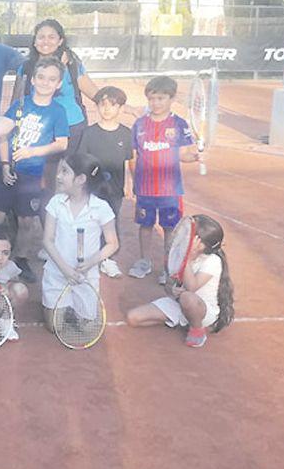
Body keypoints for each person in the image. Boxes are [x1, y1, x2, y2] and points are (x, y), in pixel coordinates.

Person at [0, 56, 70, 282]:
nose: (45, 83)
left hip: (31, 174)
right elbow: (4, 131)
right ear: (33, 80)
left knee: (27, 220)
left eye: (52, 79)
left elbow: (61, 143)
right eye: (41, 77)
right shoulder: (21, 105)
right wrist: (4, 163)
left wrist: (32, 152)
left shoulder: (57, 111)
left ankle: (20, 259)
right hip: (7, 169)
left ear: (58, 84)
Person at [126, 76, 199, 284]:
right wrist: (134, 182)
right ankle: (144, 261)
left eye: (161, 98)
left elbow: (182, 154)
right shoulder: (140, 124)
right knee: (145, 225)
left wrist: (193, 157)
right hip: (145, 188)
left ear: (171, 98)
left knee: (170, 228)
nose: (156, 103)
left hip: (170, 190)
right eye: (152, 99)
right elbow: (133, 156)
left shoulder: (179, 124)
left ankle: (168, 265)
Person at [126, 214, 234, 348]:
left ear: (199, 243)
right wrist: (173, 290)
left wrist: (187, 259)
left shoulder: (212, 261)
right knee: (133, 318)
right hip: (179, 304)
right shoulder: (178, 253)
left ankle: (197, 330)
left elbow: (192, 287)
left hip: (202, 311)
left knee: (187, 297)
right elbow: (169, 285)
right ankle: (181, 321)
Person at [41, 153, 119, 333]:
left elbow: (112, 244)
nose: (58, 176)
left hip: (85, 277)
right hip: (57, 273)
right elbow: (47, 240)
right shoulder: (56, 202)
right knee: (54, 327)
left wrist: (90, 263)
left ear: (81, 179)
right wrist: (66, 270)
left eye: (65, 171)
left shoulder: (101, 208)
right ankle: (57, 305)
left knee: (87, 329)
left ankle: (72, 307)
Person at [10, 19, 99, 153]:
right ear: (35, 42)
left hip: (71, 128)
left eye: (51, 37)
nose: (46, 41)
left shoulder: (72, 65)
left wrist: (124, 106)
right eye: (41, 37)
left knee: (67, 171)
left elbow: (94, 93)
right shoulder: (26, 68)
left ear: (60, 41)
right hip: (37, 130)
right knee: (38, 171)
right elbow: (16, 101)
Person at [75, 86, 133, 278]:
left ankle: (107, 259)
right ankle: (83, 258)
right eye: (102, 104)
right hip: (92, 189)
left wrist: (131, 186)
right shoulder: (89, 133)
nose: (107, 109)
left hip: (114, 190)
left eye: (112, 105)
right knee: (87, 222)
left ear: (121, 109)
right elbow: (82, 161)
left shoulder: (126, 134)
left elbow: (129, 160)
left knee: (110, 223)